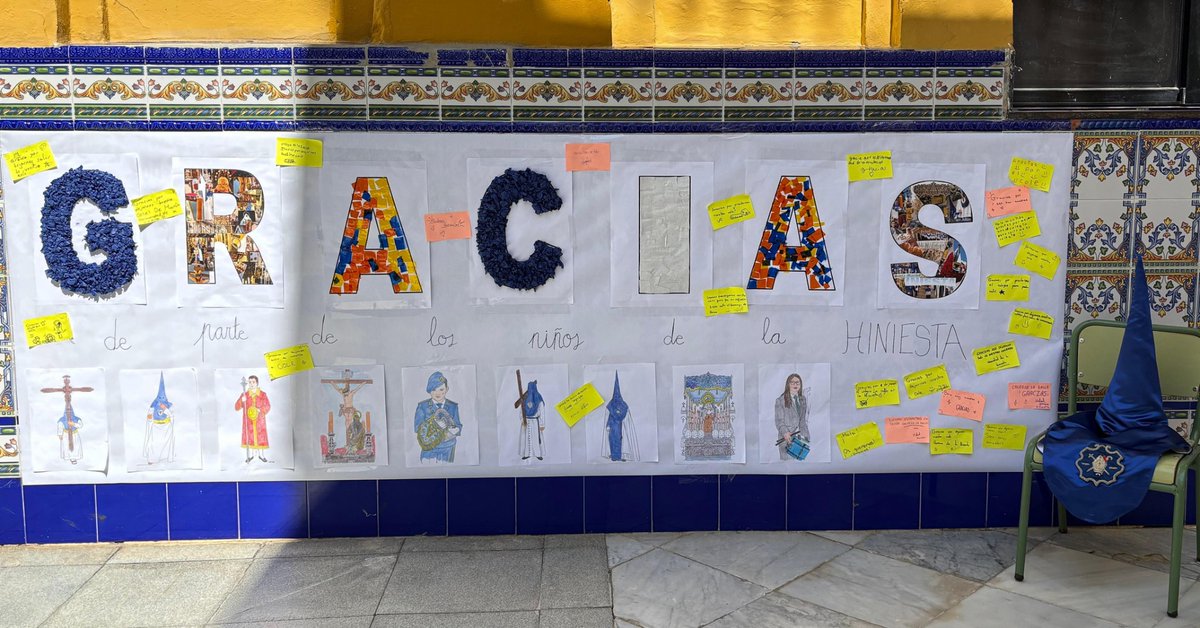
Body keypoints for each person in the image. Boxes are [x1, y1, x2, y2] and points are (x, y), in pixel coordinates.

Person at [414, 371, 461, 462]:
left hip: (448, 447)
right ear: (429, 390)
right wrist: (435, 426)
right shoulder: (422, 406)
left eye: (441, 389)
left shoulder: (453, 406)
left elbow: (458, 425)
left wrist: (454, 430)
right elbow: (417, 428)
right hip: (429, 448)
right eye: (433, 389)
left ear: (447, 389)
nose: (437, 393)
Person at [235, 375, 271, 463]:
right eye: (250, 382)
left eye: (253, 382)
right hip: (249, 420)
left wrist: (260, 410)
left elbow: (268, 406)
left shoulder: (263, 394)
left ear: (257, 383)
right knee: (249, 436)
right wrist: (241, 401)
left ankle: (261, 455)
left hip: (259, 420)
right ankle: (250, 455)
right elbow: (237, 407)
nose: (251, 384)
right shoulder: (245, 395)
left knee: (260, 437)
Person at [774, 373, 810, 460]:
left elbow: (802, 420)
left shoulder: (803, 399)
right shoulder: (780, 400)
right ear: (788, 384)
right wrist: (785, 433)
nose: (795, 385)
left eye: (797, 383)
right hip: (787, 439)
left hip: (800, 439)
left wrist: (806, 436)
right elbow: (779, 421)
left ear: (800, 385)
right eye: (792, 382)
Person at [143, 372, 175, 465]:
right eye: (159, 398)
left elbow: (172, 416)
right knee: (153, 443)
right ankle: (152, 459)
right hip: (156, 426)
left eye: (163, 398)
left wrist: (165, 409)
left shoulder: (168, 405)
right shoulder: (154, 404)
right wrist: (149, 417)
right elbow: (149, 414)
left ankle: (166, 458)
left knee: (165, 443)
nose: (161, 399)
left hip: (167, 427)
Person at [520, 380, 545, 460]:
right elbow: (521, 410)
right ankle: (526, 454)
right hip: (526, 421)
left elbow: (542, 412)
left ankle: (538, 454)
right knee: (526, 438)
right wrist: (522, 420)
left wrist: (542, 424)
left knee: (536, 438)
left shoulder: (539, 398)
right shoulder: (525, 398)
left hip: (535, 422)